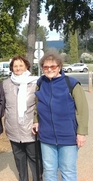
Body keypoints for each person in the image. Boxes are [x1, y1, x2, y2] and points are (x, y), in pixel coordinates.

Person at [32, 49, 89, 181]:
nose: (49, 69)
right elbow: (36, 106)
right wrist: (36, 121)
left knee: (68, 171)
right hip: (46, 137)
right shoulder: (40, 84)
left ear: (59, 67)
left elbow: (82, 110)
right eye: (46, 67)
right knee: (49, 171)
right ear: (42, 68)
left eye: (53, 66)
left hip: (68, 136)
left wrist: (81, 133)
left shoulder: (72, 84)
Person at [3, 56, 42, 181]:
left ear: (26, 66)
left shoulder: (36, 82)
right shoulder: (6, 83)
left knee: (34, 157)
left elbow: (39, 104)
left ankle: (37, 178)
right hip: (13, 127)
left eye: (21, 65)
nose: (18, 68)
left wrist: (38, 122)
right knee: (19, 157)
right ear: (11, 68)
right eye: (15, 66)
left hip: (30, 128)